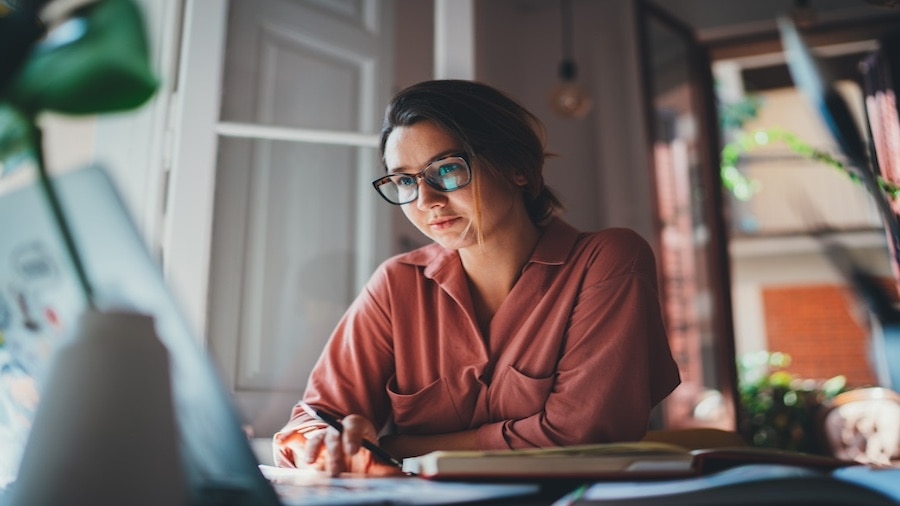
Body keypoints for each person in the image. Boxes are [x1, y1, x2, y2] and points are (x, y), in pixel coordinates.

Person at [273, 79, 680, 476]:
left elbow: (580, 435)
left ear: (517, 167)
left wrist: (396, 447)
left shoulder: (607, 261)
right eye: (404, 181)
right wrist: (325, 443)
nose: (426, 201)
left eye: (447, 169)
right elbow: (314, 418)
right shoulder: (396, 285)